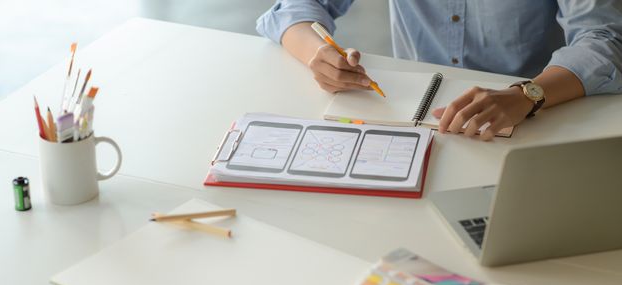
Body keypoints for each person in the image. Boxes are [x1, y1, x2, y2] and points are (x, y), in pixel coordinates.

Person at [256, 1, 622, 140]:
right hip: (416, 125)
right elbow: (292, 9)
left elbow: (605, 40)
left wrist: (526, 95)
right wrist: (318, 53)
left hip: (532, 122)